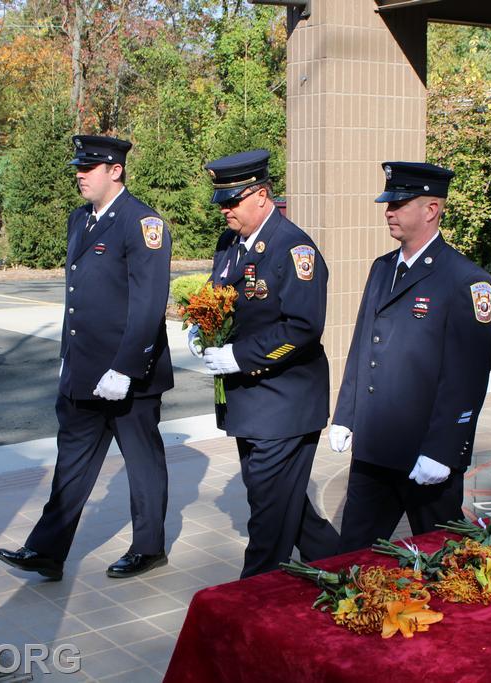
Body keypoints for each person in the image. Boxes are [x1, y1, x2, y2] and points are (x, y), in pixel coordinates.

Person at [0, 135, 173, 581]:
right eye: (79, 166)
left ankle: (149, 547)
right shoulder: (81, 219)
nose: (80, 174)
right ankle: (47, 551)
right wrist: (67, 359)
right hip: (85, 371)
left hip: (128, 375)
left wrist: (127, 369)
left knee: (142, 463)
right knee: (71, 461)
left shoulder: (142, 223)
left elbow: (148, 304)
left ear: (116, 171)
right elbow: (78, 298)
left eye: (90, 167)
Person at [329, 161, 491, 553]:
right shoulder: (382, 268)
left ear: (431, 209)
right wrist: (346, 416)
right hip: (374, 447)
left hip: (426, 453)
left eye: (400, 203)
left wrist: (444, 451)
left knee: (444, 558)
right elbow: (362, 347)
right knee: (353, 554)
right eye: (389, 202)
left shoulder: (465, 280)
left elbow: (468, 378)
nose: (389, 210)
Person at [198, 149, 339, 578]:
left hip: (284, 403)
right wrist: (201, 327)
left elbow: (302, 328)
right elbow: (215, 296)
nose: (224, 209)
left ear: (261, 195)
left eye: (232, 200)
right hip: (250, 405)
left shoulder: (293, 248)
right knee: (284, 508)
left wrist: (237, 356)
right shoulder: (231, 243)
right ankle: (349, 567)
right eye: (221, 201)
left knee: (266, 518)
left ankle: (251, 600)